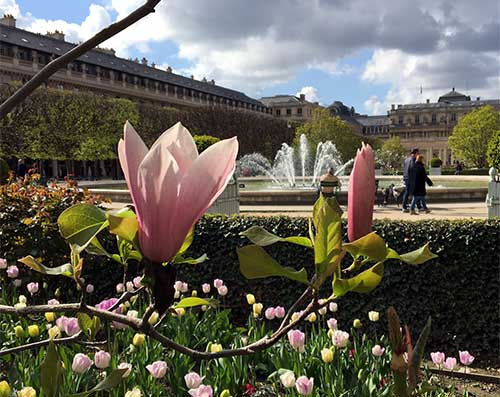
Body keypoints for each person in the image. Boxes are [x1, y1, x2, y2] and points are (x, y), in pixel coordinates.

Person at [402, 148, 419, 212]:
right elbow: (412, 168)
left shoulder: (406, 159)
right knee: (415, 192)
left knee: (407, 192)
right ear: (416, 153)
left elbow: (405, 169)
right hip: (411, 178)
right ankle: (414, 207)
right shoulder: (413, 159)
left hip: (406, 177)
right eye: (418, 153)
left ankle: (405, 206)